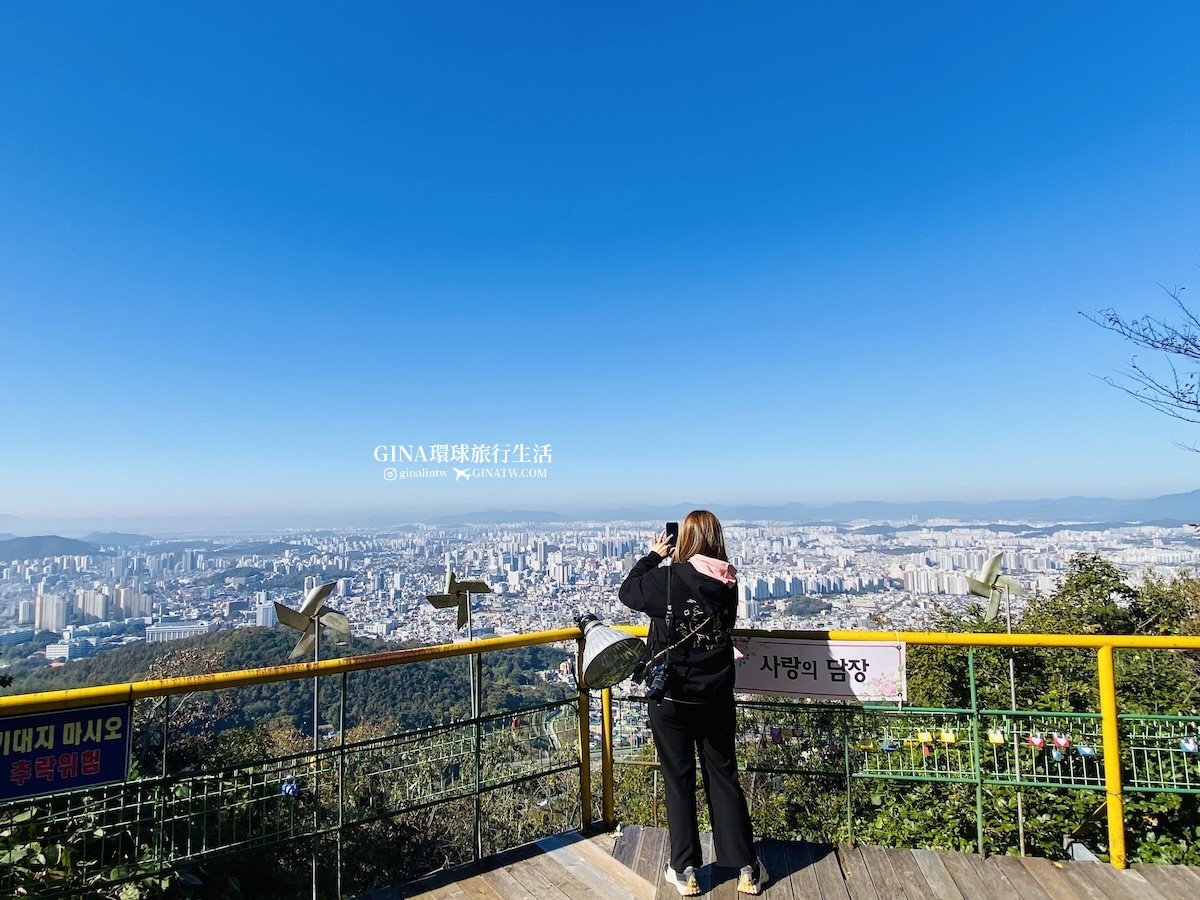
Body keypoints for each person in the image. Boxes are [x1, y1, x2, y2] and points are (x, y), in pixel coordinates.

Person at [619, 510, 767, 897]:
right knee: (723, 776)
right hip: (715, 695)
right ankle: (746, 867)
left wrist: (655, 555)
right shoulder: (728, 581)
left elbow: (628, 591)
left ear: (683, 538)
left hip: (671, 696)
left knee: (678, 780)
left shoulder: (666, 578)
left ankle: (685, 869)